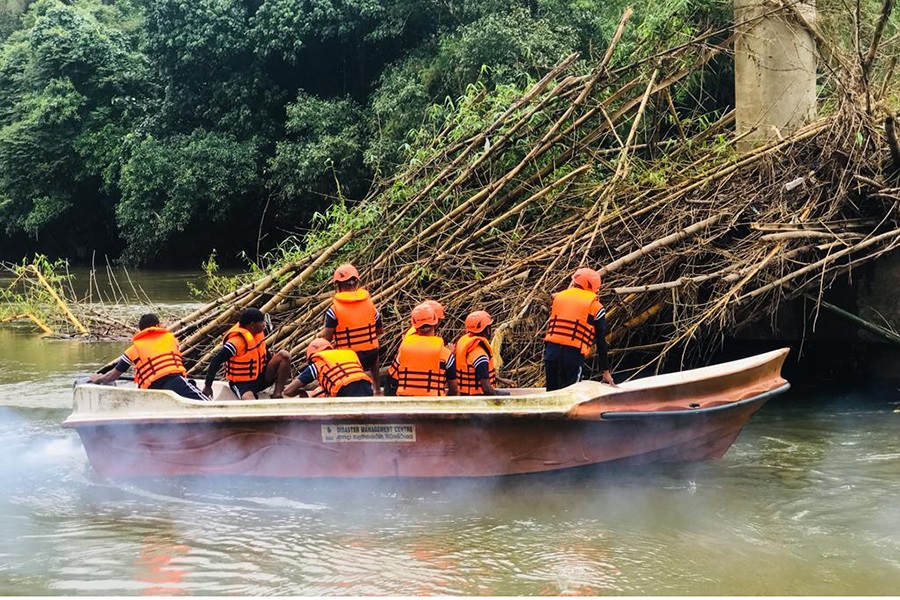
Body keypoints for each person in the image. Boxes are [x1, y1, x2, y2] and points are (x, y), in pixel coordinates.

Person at [89, 313, 208, 401]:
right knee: (206, 403)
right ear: (158, 325)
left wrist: (98, 378)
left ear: (141, 330)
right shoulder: (171, 339)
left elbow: (112, 376)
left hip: (151, 390)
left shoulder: (134, 349)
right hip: (174, 381)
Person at [543, 267, 615, 391]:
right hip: (572, 357)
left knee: (551, 393)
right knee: (570, 394)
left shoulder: (559, 298)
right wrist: (606, 371)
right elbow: (600, 341)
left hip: (551, 353)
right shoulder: (596, 307)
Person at [202, 307, 291, 400]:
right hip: (243, 384)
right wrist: (208, 386)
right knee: (250, 401)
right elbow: (216, 361)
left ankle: (277, 394)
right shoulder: (236, 342)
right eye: (261, 322)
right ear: (252, 324)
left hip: (260, 378)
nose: (264, 324)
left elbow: (265, 354)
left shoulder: (257, 334)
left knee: (284, 355)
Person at [321, 263, 383, 395]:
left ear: (338, 286)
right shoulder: (370, 304)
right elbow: (379, 330)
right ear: (356, 283)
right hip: (371, 355)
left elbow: (327, 337)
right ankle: (377, 388)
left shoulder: (333, 310)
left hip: (349, 359)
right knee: (374, 351)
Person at [384, 304, 458, 396]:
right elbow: (454, 389)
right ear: (436, 322)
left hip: (405, 401)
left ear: (414, 324)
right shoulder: (445, 353)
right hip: (433, 404)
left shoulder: (405, 348)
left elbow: (394, 376)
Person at [283, 338, 374, 398]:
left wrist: (301, 392)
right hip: (367, 388)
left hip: (344, 390)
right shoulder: (348, 353)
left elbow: (288, 391)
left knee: (320, 394)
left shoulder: (319, 362)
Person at [454, 310, 513, 396]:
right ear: (487, 330)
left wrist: (501, 380)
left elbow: (479, 373)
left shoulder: (465, 342)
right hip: (477, 397)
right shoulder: (480, 355)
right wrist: (499, 403)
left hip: (465, 393)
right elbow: (486, 389)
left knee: (507, 394)